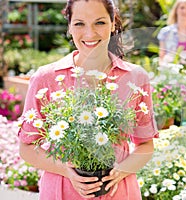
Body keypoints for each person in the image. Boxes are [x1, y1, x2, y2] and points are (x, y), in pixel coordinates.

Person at [18, 0, 158, 199]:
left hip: (119, 192)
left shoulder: (136, 77)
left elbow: (145, 144)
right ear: (69, 26)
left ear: (113, 24)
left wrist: (120, 171)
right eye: (79, 23)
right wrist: (66, 170)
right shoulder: (46, 78)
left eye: (99, 23)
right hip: (63, 191)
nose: (90, 33)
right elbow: (27, 148)